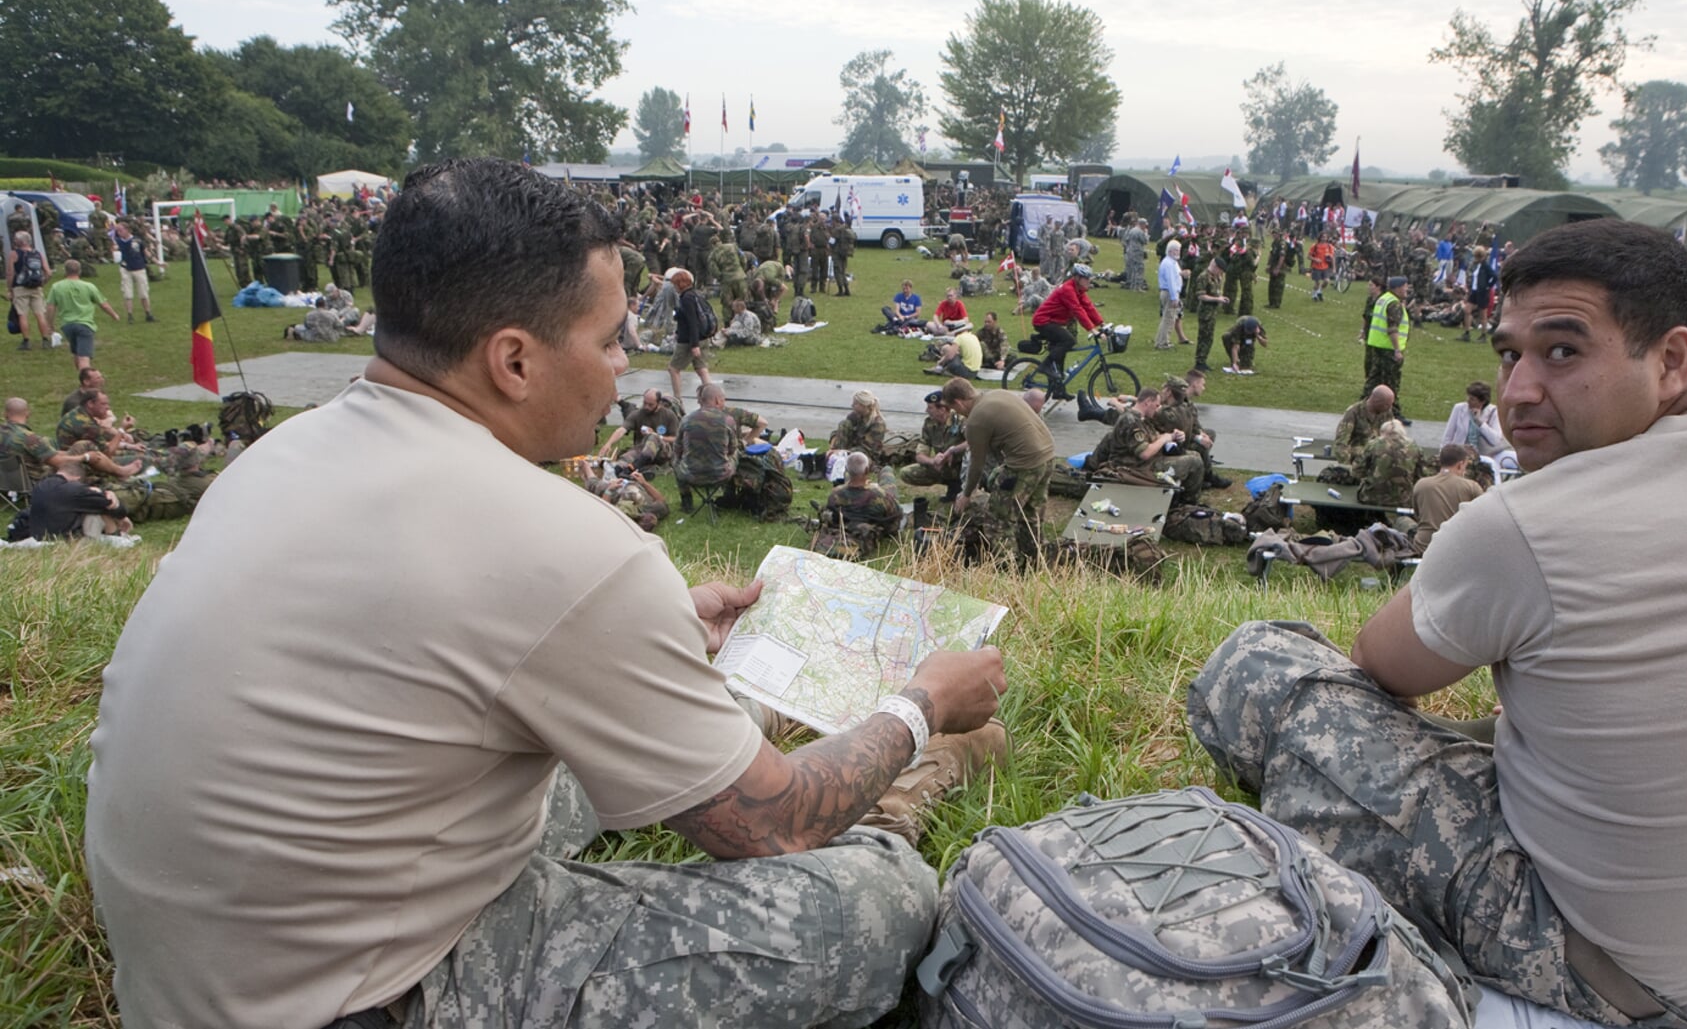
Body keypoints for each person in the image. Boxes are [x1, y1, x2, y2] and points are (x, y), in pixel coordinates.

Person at [85, 158, 1010, 1029]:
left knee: (621, 751)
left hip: (201, 970)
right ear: (514, 361)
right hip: (367, 996)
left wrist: (652, 630)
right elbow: (769, 829)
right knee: (878, 895)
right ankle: (895, 802)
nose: (628, 364)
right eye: (611, 339)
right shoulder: (562, 543)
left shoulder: (286, 453)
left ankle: (771, 729)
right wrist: (922, 706)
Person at [1190, 218, 1687, 1027]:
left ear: (1671, 360)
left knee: (1258, 664)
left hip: (1643, 978)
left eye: (1563, 352)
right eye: (1509, 354)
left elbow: (1378, 665)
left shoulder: (1527, 523)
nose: (1519, 390)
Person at [944, 376, 1054, 559]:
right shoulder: (999, 394)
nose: (957, 413)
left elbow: (976, 465)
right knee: (1029, 514)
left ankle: (1008, 569)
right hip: (1048, 456)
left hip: (1024, 465)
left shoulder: (976, 420)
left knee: (998, 520)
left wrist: (966, 494)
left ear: (959, 402)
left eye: (954, 408)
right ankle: (1035, 558)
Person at [1030, 264, 1105, 399]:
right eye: (1085, 278)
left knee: (1061, 353)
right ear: (1076, 278)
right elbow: (1077, 310)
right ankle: (1045, 366)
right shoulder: (1068, 289)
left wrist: (1102, 324)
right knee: (1069, 340)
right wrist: (1092, 330)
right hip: (1043, 321)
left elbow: (1088, 307)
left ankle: (1058, 390)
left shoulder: (1079, 290)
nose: (1089, 281)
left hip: (1053, 321)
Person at [26, 456, 134, 540]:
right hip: (66, 540)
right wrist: (108, 495)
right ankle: (116, 536)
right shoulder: (74, 490)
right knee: (96, 510)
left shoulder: (40, 486)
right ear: (77, 479)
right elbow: (111, 505)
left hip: (39, 536)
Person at [45, 259, 119, 369]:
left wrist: (50, 324)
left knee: (76, 353)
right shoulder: (88, 286)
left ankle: (81, 379)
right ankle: (87, 383)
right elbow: (103, 304)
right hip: (85, 324)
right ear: (79, 271)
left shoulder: (56, 287)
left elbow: (50, 307)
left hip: (67, 325)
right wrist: (114, 315)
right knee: (84, 357)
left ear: (65, 271)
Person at [1408, 442, 1481, 552]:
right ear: (1461, 464)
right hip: (1457, 547)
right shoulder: (1471, 487)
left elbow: (1417, 514)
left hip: (1424, 546)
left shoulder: (1421, 484)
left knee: (1402, 521)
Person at [1439, 380, 1516, 475]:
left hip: (1490, 453)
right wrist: (1443, 456)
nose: (1468, 400)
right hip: (1464, 454)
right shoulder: (1459, 409)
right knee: (1491, 465)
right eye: (1468, 397)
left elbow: (1495, 440)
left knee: (1518, 459)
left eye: (1472, 399)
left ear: (1482, 401)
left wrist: (1480, 422)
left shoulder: (1493, 412)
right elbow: (1447, 436)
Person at [665, 267, 713, 403]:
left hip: (689, 341)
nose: (674, 287)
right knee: (702, 369)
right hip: (703, 337)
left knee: (673, 369)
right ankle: (713, 398)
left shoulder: (686, 298)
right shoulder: (696, 294)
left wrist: (694, 344)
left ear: (680, 284)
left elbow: (692, 322)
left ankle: (678, 399)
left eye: (675, 284)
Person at [1362, 275, 1408, 411]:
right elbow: (1392, 328)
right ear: (1398, 288)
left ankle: (1363, 406)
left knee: (1374, 379)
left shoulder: (1383, 299)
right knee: (1391, 381)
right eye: (1405, 286)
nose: (1407, 289)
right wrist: (1397, 350)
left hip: (1377, 345)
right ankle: (1393, 410)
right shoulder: (1394, 303)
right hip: (1388, 348)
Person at [8, 228, 54, 351]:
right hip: (36, 287)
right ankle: (45, 340)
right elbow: (48, 272)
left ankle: (26, 341)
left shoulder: (14, 254)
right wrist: (42, 283)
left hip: (20, 287)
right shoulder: (37, 253)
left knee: (22, 315)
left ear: (18, 242)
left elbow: (10, 274)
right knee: (40, 314)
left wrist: (10, 290)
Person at [110, 219, 156, 323]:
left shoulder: (137, 241)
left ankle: (148, 313)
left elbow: (146, 252)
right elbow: (114, 249)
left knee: (143, 293)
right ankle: (130, 315)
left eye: (120, 230)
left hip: (139, 268)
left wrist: (157, 262)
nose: (119, 233)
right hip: (126, 269)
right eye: (117, 231)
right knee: (127, 294)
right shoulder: (118, 241)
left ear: (127, 230)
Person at [1190, 259, 1228, 373]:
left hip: (1212, 312)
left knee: (1209, 338)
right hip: (1205, 312)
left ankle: (1203, 360)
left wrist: (1221, 297)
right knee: (1204, 337)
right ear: (1215, 267)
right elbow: (1201, 296)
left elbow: (1216, 291)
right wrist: (1217, 299)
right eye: (1220, 270)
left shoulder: (1215, 277)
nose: (1220, 273)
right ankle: (1199, 362)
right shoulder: (1203, 277)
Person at [828, 390, 887, 459]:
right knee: (844, 423)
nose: (852, 405)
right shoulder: (855, 416)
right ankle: (836, 457)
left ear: (864, 405)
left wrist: (843, 452)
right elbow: (839, 432)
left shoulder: (878, 424)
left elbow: (867, 449)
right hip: (850, 450)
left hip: (866, 455)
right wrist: (833, 444)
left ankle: (840, 456)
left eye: (855, 403)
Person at [1154, 238, 1184, 350]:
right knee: (1169, 318)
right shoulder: (1169, 264)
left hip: (1168, 292)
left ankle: (1161, 340)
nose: (1178, 252)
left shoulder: (1171, 262)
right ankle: (1163, 342)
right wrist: (1174, 297)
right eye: (1176, 250)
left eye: (1178, 250)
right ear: (1170, 251)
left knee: (1167, 317)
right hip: (1169, 292)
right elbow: (1171, 281)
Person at [1461, 244, 1494, 340]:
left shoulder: (1485, 266)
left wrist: (1488, 286)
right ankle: (1467, 333)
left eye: (1478, 257)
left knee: (1482, 314)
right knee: (1467, 310)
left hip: (1482, 292)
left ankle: (1483, 335)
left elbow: (1494, 276)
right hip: (1474, 291)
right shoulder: (1474, 265)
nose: (1477, 258)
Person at [1307, 233, 1335, 300]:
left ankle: (1319, 291)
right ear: (1320, 238)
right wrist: (1315, 259)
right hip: (1316, 267)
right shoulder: (1315, 246)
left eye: (1325, 237)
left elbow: (1332, 258)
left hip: (1325, 267)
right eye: (1323, 237)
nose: (1324, 238)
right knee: (1317, 283)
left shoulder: (1329, 246)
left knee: (1327, 281)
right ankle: (1314, 294)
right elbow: (1308, 256)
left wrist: (1334, 268)